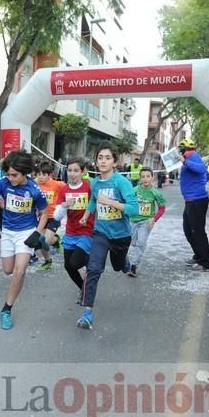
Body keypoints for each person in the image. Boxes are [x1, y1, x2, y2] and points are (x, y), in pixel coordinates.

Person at [0, 149, 48, 330]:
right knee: (8, 270)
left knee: (19, 270)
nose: (11, 178)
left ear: (25, 173)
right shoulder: (3, 183)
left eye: (15, 175)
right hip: (7, 232)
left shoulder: (34, 190)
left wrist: (37, 233)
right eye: (8, 174)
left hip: (26, 232)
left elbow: (44, 213)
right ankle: (41, 245)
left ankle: (6, 309)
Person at [77, 141, 139, 329]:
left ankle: (125, 263)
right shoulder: (95, 183)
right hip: (101, 233)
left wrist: (112, 202)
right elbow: (94, 200)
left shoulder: (122, 182)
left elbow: (134, 209)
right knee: (93, 268)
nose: (103, 161)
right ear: (96, 161)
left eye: (107, 158)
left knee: (118, 266)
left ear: (115, 162)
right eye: (100, 158)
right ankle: (87, 312)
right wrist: (87, 215)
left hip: (121, 236)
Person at [54, 158, 94, 302]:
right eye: (69, 170)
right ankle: (84, 288)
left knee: (75, 263)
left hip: (86, 231)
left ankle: (91, 259)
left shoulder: (89, 187)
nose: (72, 174)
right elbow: (57, 216)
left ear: (83, 172)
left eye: (76, 170)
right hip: (70, 232)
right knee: (68, 267)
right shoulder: (64, 189)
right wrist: (64, 205)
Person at [177, 138, 209, 272]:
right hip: (191, 200)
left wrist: (185, 161)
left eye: (181, 148)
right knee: (188, 230)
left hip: (197, 200)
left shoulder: (193, 156)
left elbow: (202, 169)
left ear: (184, 149)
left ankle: (205, 263)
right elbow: (206, 175)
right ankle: (198, 256)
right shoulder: (190, 158)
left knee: (198, 232)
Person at [126, 167, 166, 277]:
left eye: (148, 176)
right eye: (143, 177)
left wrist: (154, 218)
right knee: (133, 242)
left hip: (146, 222)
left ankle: (134, 266)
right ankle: (129, 261)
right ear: (140, 178)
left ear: (152, 178)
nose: (145, 179)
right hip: (133, 220)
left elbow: (162, 208)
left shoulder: (156, 193)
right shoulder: (134, 190)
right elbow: (126, 202)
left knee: (141, 242)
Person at [34, 161, 65, 271]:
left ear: (49, 174)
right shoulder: (36, 185)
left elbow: (69, 188)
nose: (41, 177)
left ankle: (56, 240)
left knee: (46, 240)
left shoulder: (57, 184)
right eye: (39, 174)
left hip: (53, 217)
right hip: (42, 217)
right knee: (41, 240)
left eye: (43, 174)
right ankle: (48, 261)